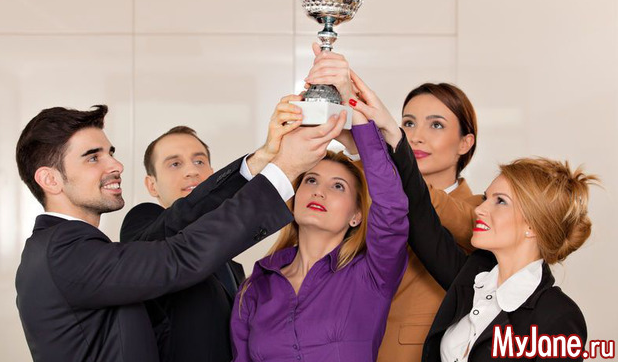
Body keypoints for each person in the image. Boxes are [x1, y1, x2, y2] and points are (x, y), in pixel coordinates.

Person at [14, 103, 346, 361]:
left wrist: (263, 159)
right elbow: (179, 253)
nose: (115, 165)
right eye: (92, 157)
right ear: (50, 180)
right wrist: (284, 170)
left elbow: (183, 221)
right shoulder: (63, 250)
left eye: (110, 153)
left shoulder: (69, 248)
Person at [345, 80, 595, 361]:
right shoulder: (471, 280)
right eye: (486, 198)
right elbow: (419, 211)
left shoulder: (558, 315)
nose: (480, 209)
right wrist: (388, 131)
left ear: (533, 225)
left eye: (500, 201)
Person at [304, 44, 483, 361]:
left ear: (465, 143)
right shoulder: (369, 188)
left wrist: (375, 148)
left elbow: (425, 204)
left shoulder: (479, 210)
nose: (416, 136)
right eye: (409, 123)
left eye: (436, 125)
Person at [119, 96, 306, 362]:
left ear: (213, 174)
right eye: (174, 164)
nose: (191, 172)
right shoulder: (143, 223)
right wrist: (268, 161)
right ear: (152, 185)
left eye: (199, 162)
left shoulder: (232, 267)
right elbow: (182, 223)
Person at [230, 92, 410, 361]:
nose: (319, 191)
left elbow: (392, 208)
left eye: (338, 186)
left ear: (357, 215)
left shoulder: (373, 275)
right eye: (311, 180)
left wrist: (358, 121)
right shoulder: (255, 286)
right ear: (294, 199)